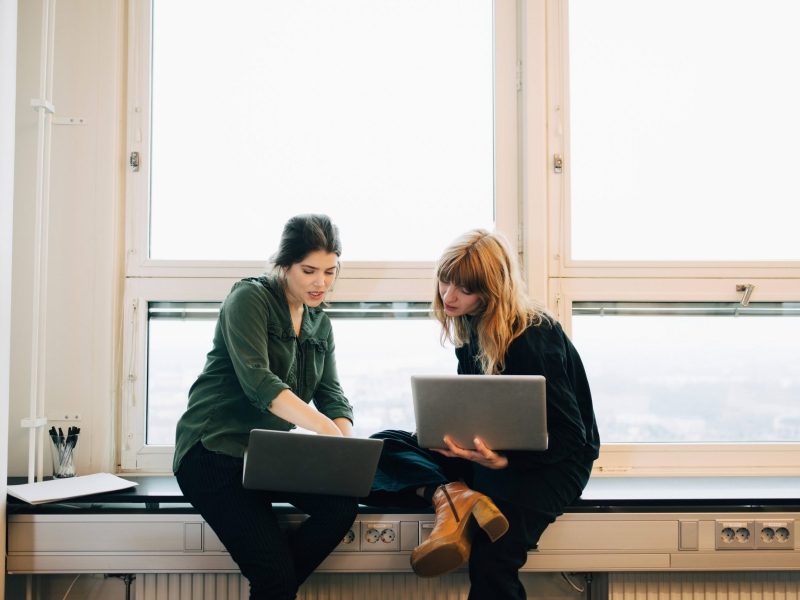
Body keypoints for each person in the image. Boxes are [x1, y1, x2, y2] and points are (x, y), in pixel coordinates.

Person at [366, 229, 600, 600]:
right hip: (488, 454)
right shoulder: (470, 328)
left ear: (491, 291)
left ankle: (453, 496)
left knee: (491, 560)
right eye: (445, 280)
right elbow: (476, 406)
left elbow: (572, 436)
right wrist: (455, 440)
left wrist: (503, 460)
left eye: (464, 288)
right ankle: (454, 495)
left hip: (551, 466)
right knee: (381, 447)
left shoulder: (533, 336)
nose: (449, 295)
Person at [173, 214, 357, 600]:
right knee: (275, 577)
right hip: (213, 453)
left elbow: (332, 394)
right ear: (284, 264)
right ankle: (276, 580)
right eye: (309, 270)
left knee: (340, 508)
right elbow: (259, 383)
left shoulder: (320, 323)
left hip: (267, 457)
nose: (321, 282)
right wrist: (326, 431)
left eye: (330, 271)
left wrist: (347, 445)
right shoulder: (249, 298)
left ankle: (276, 581)